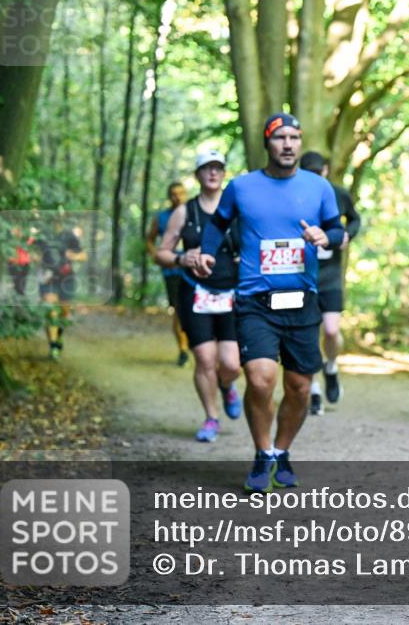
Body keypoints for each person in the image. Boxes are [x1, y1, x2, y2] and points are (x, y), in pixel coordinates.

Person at [194, 114, 344, 493]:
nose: (289, 144)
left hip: (302, 300)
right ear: (268, 143)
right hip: (254, 300)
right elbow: (217, 224)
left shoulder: (319, 187)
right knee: (261, 380)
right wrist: (207, 253)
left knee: (297, 386)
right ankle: (262, 453)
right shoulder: (241, 187)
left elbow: (339, 229)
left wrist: (324, 237)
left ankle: (282, 451)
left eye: (295, 137)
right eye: (281, 138)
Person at [156, 151, 242, 442]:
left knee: (231, 364)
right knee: (205, 358)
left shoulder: (236, 210)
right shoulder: (185, 212)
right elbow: (162, 253)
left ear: (224, 173)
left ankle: (227, 385)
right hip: (195, 293)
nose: (213, 173)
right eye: (207, 168)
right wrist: (182, 259)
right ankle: (211, 417)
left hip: (232, 292)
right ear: (197, 175)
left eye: (218, 168)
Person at [299, 151, 362, 415]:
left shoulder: (338, 194)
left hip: (331, 275)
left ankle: (332, 367)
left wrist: (346, 235)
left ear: (326, 170)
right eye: (309, 173)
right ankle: (313, 390)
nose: (315, 178)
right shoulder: (295, 196)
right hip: (303, 275)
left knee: (332, 331)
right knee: (308, 335)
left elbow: (355, 218)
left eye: (318, 172)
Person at [146, 182, 190, 367]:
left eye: (180, 193)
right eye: (173, 194)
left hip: (193, 268)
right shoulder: (162, 217)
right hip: (172, 270)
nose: (177, 197)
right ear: (169, 196)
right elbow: (150, 239)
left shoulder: (194, 213)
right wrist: (156, 254)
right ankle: (183, 350)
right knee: (179, 310)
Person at [36, 221, 88, 360]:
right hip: (49, 279)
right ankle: (53, 346)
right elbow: (34, 255)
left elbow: (83, 255)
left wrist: (74, 256)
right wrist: (42, 269)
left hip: (67, 278)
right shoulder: (42, 236)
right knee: (51, 311)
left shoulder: (69, 235)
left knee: (64, 312)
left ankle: (58, 337)